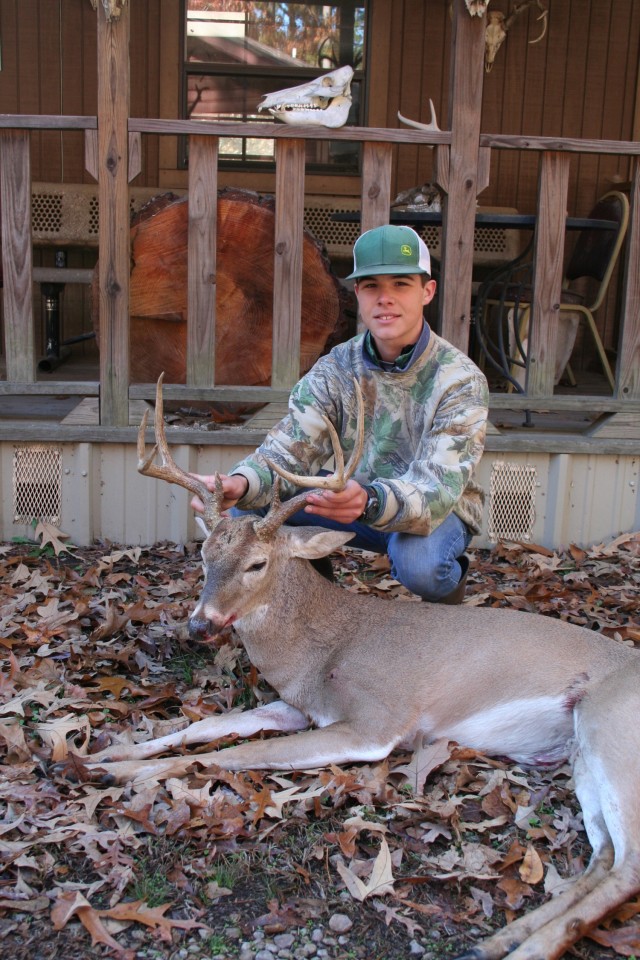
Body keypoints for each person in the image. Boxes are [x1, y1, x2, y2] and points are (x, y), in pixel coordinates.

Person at [193, 224, 489, 604]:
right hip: (350, 501)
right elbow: (289, 450)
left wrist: (369, 500)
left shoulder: (459, 379)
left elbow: (437, 487)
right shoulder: (337, 367)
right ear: (358, 294)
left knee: (422, 564)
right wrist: (243, 484)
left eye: (400, 284)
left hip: (432, 514)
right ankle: (317, 610)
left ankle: (450, 616)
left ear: (427, 291)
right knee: (251, 510)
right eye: (371, 286)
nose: (385, 299)